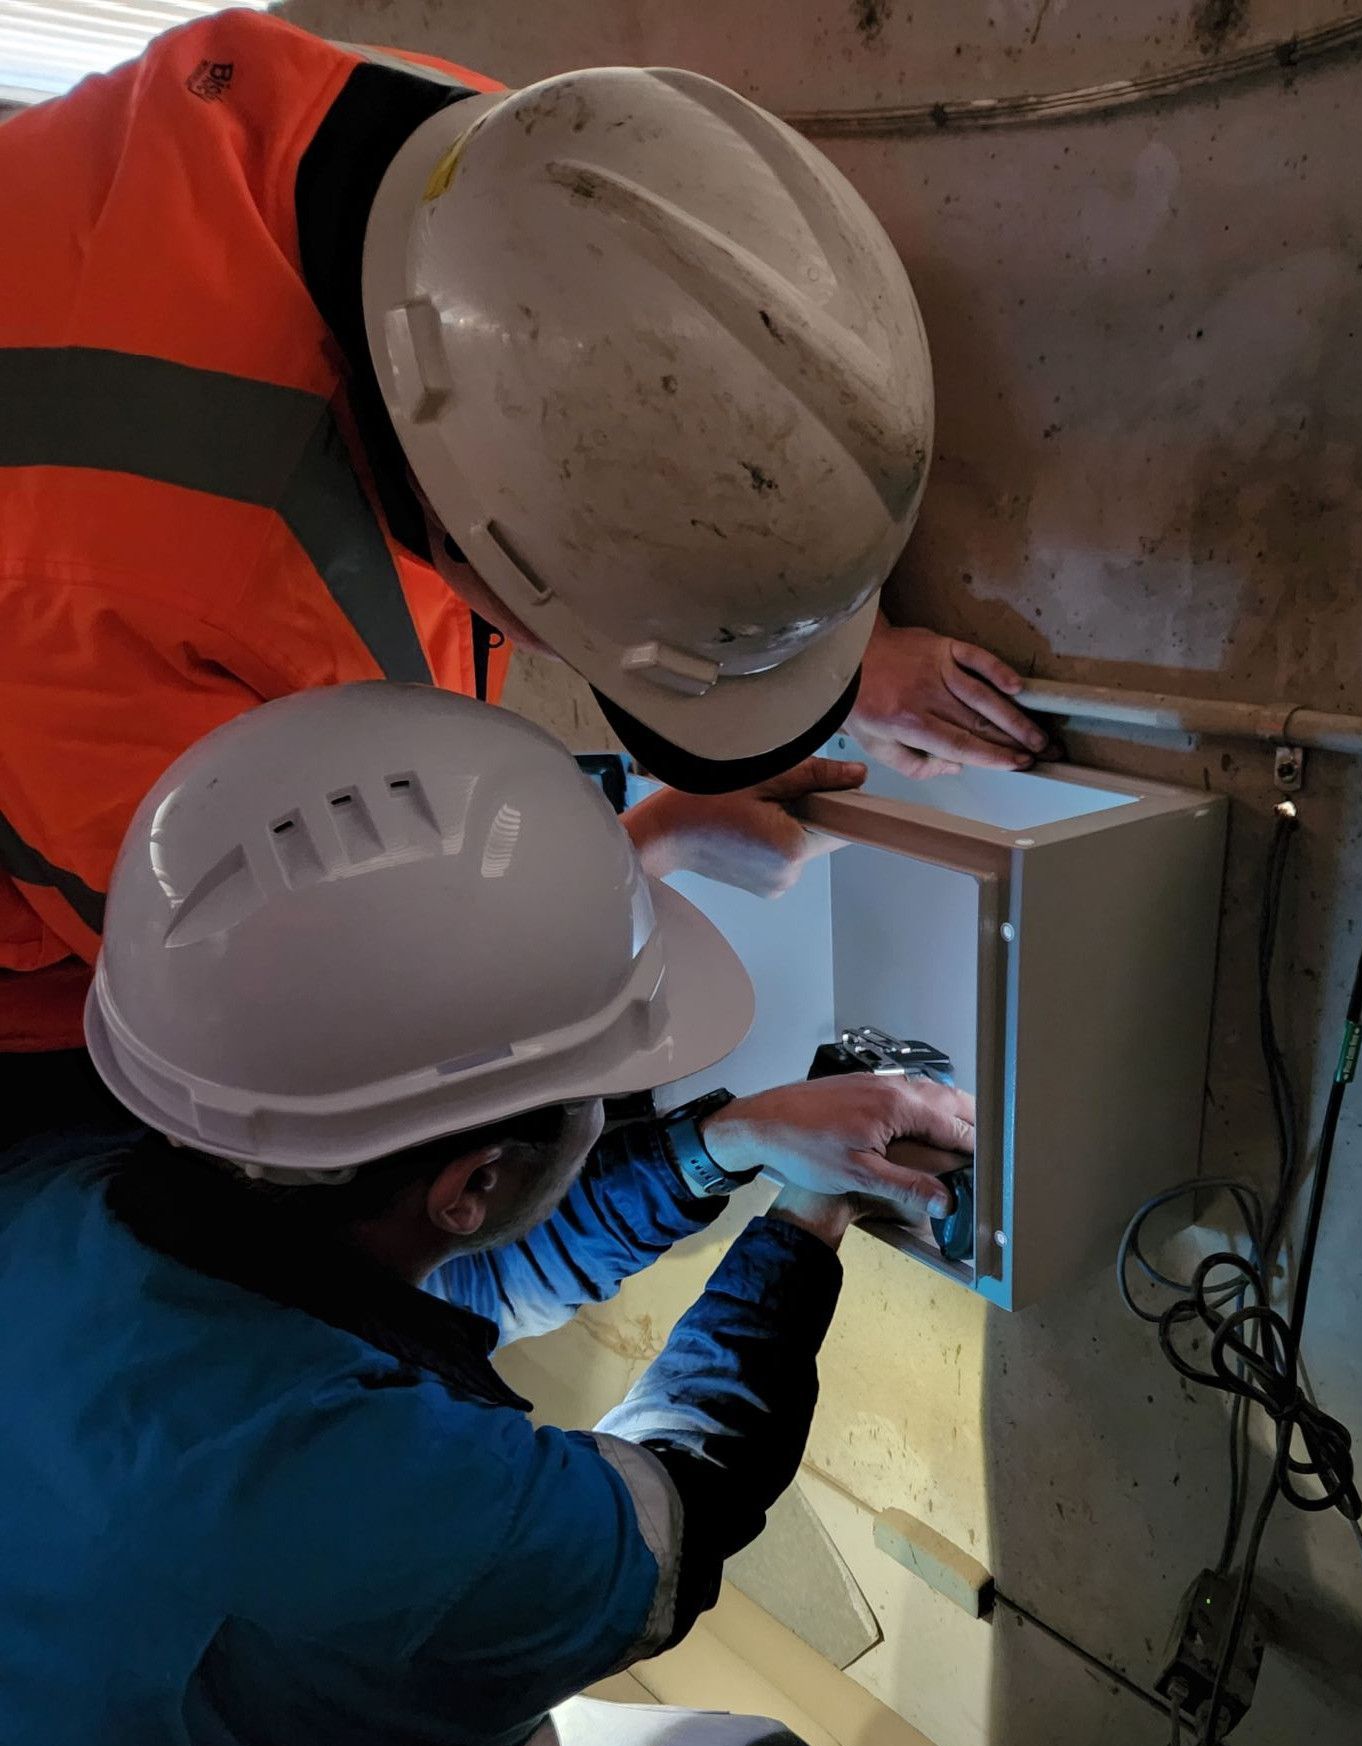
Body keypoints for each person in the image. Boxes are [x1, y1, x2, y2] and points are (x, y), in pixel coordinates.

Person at [0, 683, 1070, 1746]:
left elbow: (434, 1275)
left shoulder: (68, 1212)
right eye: (609, 1092)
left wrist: (725, 1142)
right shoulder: (389, 1520)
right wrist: (800, 1223)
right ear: (471, 1177)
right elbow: (674, 1502)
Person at [0, 6, 1050, 1104]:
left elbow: (655, 404)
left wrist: (793, 635)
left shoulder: (514, 179)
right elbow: (280, 1015)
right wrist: (643, 848)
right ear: (464, 530)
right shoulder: (124, 608)